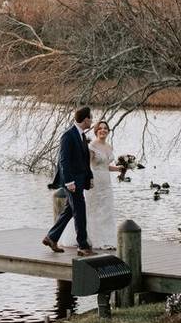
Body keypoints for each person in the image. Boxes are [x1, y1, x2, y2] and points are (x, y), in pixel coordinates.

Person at [56, 120, 123, 249]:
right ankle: (95, 239)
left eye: (105, 128)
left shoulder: (109, 146)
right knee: (94, 210)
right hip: (94, 182)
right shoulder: (92, 146)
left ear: (108, 131)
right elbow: (87, 166)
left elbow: (104, 166)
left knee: (106, 211)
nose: (103, 130)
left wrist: (118, 168)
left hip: (106, 183)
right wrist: (88, 179)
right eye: (100, 128)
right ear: (96, 131)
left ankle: (107, 238)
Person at [42, 107, 95, 256]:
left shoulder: (82, 135)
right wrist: (69, 182)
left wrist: (89, 177)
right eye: (91, 118)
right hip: (71, 182)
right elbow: (63, 161)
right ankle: (83, 246)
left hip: (79, 179)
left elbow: (85, 161)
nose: (92, 121)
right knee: (80, 211)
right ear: (85, 119)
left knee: (69, 210)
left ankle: (51, 237)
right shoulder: (68, 135)